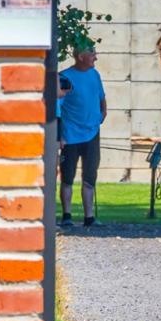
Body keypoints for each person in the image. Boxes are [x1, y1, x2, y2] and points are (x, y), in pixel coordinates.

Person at [59, 43, 107, 229]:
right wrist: (60, 136)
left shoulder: (95, 75)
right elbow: (57, 108)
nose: (96, 57)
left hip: (92, 134)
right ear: (80, 57)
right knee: (67, 178)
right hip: (70, 136)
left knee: (90, 177)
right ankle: (67, 216)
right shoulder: (65, 78)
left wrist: (102, 114)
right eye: (92, 54)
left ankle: (89, 217)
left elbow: (101, 97)